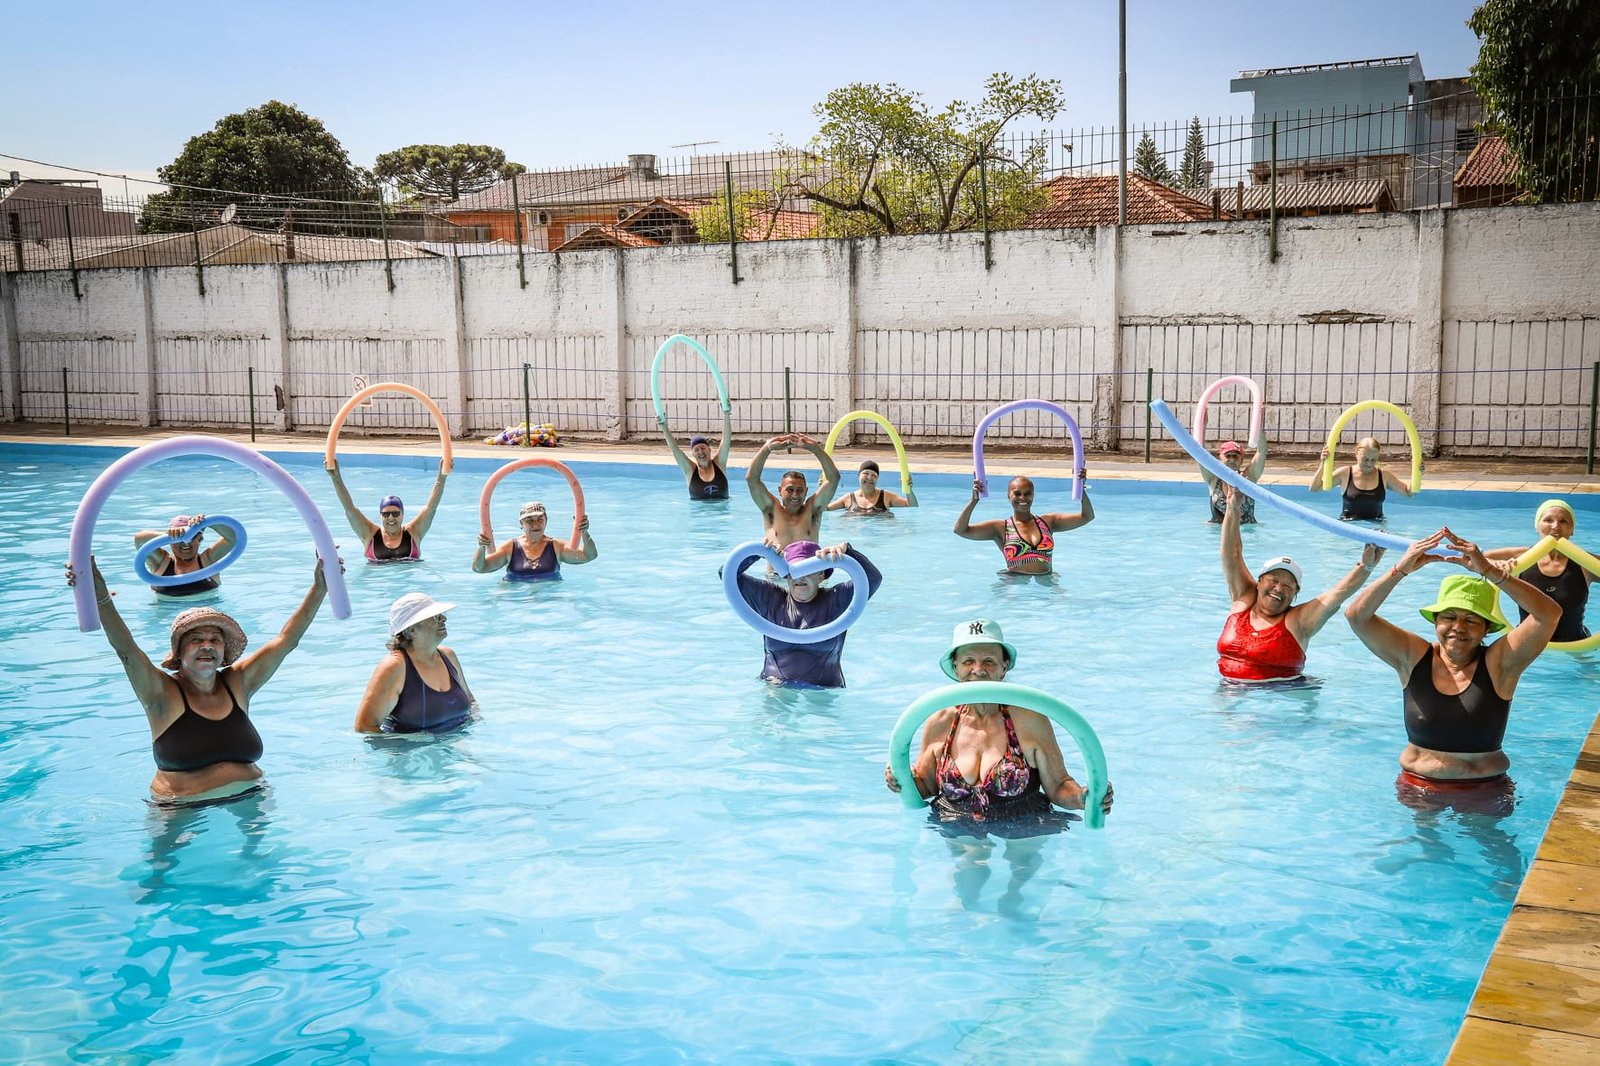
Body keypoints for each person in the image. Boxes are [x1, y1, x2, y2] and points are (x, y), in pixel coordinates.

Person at [65, 555, 332, 804]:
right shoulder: (161, 692)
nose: (207, 646)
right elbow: (127, 651)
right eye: (196, 640)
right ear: (179, 652)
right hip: (180, 808)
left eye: (215, 640)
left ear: (224, 652)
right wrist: (99, 595)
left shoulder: (238, 683)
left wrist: (319, 588)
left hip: (251, 797)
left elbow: (286, 641)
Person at [1344, 528, 1559, 810]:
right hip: (1416, 785)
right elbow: (1357, 616)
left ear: (1485, 629)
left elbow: (1549, 615)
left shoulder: (1499, 663)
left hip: (1484, 789)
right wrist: (1401, 569)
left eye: (1471, 620)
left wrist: (1493, 573)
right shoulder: (1414, 656)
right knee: (1424, 851)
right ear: (1435, 622)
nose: (1458, 627)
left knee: (1495, 852)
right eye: (1449, 617)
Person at [884, 619, 1113, 832]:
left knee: (1025, 873)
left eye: (989, 662)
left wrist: (1084, 797)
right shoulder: (940, 721)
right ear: (955, 668)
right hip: (955, 823)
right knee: (968, 875)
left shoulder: (1028, 719)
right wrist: (901, 778)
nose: (978, 669)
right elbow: (926, 785)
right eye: (968, 661)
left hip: (1025, 824)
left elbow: (1058, 784)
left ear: (1004, 667)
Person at [1216, 486, 1380, 681]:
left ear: (1295, 595)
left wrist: (1366, 566)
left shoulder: (1298, 621)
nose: (1278, 588)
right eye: (1274, 580)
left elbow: (1337, 594)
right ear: (1259, 582)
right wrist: (1233, 506)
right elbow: (1231, 555)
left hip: (1282, 694)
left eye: (1287, 586)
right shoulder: (1242, 601)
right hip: (1228, 688)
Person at [725, 539, 881, 688]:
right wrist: (758, 551)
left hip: (824, 692)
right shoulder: (770, 599)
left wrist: (848, 552)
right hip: (776, 688)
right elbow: (727, 576)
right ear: (786, 574)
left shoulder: (837, 599)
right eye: (794, 570)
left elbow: (873, 579)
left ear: (821, 575)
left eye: (808, 569)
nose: (800, 576)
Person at [355, 593, 477, 734]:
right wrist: (412, 744)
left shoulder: (448, 656)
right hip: (410, 753)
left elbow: (471, 701)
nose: (444, 619)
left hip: (454, 748)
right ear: (411, 630)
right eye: (435, 617)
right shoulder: (394, 667)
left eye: (441, 614)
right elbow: (364, 727)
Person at [1486, 499, 1592, 643]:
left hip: (1577, 645)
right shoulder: (1520, 558)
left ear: (1572, 530)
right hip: (1527, 644)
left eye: (1563, 521)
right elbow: (1476, 558)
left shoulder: (1585, 562)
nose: (1555, 526)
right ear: (1537, 525)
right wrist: (1498, 564)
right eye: (1548, 520)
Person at [953, 474, 1093, 576]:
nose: (1023, 498)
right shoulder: (1000, 528)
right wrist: (974, 501)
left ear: (1033, 495)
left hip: (1047, 582)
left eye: (1027, 494)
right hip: (1014, 585)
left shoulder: (1049, 522)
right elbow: (960, 530)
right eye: (1017, 493)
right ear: (1009, 496)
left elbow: (1087, 517)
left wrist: (1081, 489)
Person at [324, 458, 449, 563]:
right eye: (386, 514)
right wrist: (336, 477)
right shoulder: (369, 534)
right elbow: (349, 509)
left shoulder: (413, 532)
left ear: (402, 514)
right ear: (381, 516)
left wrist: (442, 477)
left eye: (395, 513)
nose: (391, 518)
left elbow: (431, 508)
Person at [745, 433, 840, 549]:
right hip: (777, 567)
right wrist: (766, 448)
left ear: (806, 491)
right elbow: (752, 480)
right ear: (780, 490)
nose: (795, 495)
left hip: (807, 567)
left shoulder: (812, 510)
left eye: (799, 490)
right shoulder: (771, 509)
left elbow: (834, 479)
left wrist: (816, 449)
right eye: (790, 490)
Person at [473, 500, 596, 580]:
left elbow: (589, 556)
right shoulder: (510, 548)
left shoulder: (556, 546)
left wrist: (583, 532)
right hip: (515, 599)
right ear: (521, 524)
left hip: (550, 598)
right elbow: (480, 568)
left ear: (546, 521)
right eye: (529, 520)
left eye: (540, 520)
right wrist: (482, 546)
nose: (536, 525)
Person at [1309, 437, 1415, 522]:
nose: (1369, 464)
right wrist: (1323, 464)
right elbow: (1314, 488)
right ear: (1356, 454)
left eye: (1374, 459)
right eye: (1365, 459)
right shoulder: (1345, 473)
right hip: (1350, 525)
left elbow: (1408, 492)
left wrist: (1417, 472)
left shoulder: (1384, 475)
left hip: (1376, 527)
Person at [133, 513, 239, 597]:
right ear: (169, 542)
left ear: (200, 539)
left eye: (192, 538)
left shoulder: (208, 560)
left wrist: (206, 522)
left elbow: (232, 538)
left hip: (205, 617)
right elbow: (139, 539)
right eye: (179, 540)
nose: (186, 543)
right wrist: (168, 535)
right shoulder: (160, 563)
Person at [660, 406, 733, 500]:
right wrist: (664, 426)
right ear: (693, 454)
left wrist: (726, 414)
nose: (700, 452)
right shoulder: (690, 470)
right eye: (696, 450)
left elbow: (726, 440)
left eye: (703, 448)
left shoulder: (719, 463)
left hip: (722, 514)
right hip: (699, 514)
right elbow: (675, 450)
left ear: (709, 450)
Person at [1202, 440, 1265, 524]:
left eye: (1235, 456)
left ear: (1241, 460)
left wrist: (1258, 428)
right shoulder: (1213, 479)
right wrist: (1202, 428)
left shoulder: (1249, 478)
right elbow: (1199, 453)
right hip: (1218, 532)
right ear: (1220, 458)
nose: (1232, 460)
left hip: (1247, 532)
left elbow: (1261, 451)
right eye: (1228, 456)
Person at [826, 459, 917, 515]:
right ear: (858, 476)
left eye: (874, 475)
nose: (869, 478)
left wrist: (909, 490)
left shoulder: (886, 496)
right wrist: (824, 488)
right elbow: (825, 509)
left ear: (877, 479)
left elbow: (912, 506)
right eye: (865, 473)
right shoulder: (848, 498)